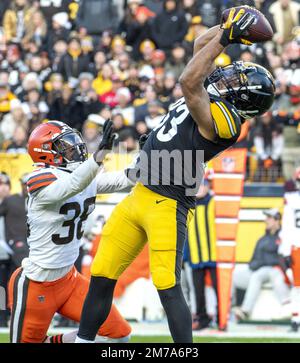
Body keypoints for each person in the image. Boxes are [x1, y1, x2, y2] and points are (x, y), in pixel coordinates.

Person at [76, 8, 275, 343]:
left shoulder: (227, 123)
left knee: (167, 286)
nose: (227, 77)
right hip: (139, 193)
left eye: (236, 81)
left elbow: (187, 80)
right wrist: (228, 28)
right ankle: (84, 341)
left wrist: (227, 38)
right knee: (101, 273)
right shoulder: (213, 95)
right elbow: (200, 43)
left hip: (167, 204)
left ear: (244, 100)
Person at [8, 120, 133, 343]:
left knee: (119, 336)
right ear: (46, 153)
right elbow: (72, 185)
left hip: (69, 279)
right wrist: (98, 157)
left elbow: (120, 180)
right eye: (64, 146)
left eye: (73, 143)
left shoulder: (81, 175)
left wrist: (146, 162)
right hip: (37, 283)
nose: (74, 149)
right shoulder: (39, 179)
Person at [233, 209, 290, 321]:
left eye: (269, 218)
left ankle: (246, 310)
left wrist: (260, 264)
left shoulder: (283, 237)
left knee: (257, 275)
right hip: (257, 270)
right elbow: (253, 260)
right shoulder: (262, 239)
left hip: (274, 271)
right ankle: (229, 308)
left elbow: (280, 259)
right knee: (233, 276)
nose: (266, 220)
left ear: (277, 220)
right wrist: (254, 265)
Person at [184, 179, 218, 330]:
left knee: (219, 287)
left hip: (214, 254)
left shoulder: (214, 202)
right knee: (197, 290)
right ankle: (202, 318)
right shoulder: (187, 203)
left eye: (203, 184)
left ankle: (222, 317)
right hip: (195, 255)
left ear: (209, 186)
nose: (199, 188)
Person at [280, 169, 300, 331]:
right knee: (297, 286)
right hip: (296, 246)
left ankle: (296, 319)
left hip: (295, 246)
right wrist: (286, 251)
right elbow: (287, 226)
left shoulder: (291, 199)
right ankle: (296, 319)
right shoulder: (291, 200)